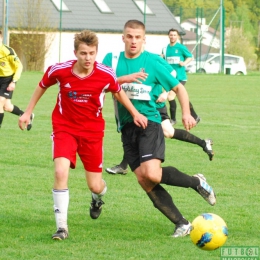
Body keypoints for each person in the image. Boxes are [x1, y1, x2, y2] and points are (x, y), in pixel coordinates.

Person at [18, 30, 147, 240]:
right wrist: (27, 111)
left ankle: (97, 198)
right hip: (64, 128)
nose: (88, 58)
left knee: (95, 185)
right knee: (60, 172)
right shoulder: (59, 70)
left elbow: (117, 90)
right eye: (84, 53)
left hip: (92, 133)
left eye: (92, 53)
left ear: (96, 53)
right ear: (75, 53)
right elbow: (41, 86)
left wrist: (134, 113)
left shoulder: (105, 73)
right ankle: (62, 228)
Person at [102, 20, 216, 237]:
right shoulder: (112, 60)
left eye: (138, 37)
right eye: (129, 36)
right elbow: (101, 84)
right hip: (126, 127)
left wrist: (185, 113)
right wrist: (121, 80)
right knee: (144, 180)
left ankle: (196, 182)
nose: (133, 41)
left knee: (152, 174)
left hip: (150, 123)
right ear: (123, 38)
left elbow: (179, 88)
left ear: (144, 39)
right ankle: (182, 223)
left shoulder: (153, 62)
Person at [161, 28, 200, 125]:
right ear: (168, 36)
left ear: (177, 36)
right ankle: (195, 116)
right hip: (170, 78)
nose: (173, 37)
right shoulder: (165, 49)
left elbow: (190, 57)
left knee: (170, 96)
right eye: (171, 35)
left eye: (174, 35)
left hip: (180, 77)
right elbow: (164, 61)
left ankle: (173, 120)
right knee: (181, 97)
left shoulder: (180, 47)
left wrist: (184, 63)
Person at [0, 30, 34, 130]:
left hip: (8, 79)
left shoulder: (8, 51)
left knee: (0, 101)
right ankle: (28, 115)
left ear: (1, 38)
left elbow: (19, 66)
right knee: (7, 107)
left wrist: (13, 81)